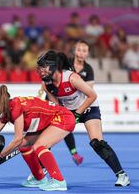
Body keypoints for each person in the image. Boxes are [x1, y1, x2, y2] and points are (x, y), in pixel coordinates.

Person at [36, 50, 130, 187]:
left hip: (88, 107)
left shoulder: (71, 78)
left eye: (43, 67)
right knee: (44, 142)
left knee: (97, 143)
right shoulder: (46, 85)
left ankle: (122, 175)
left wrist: (78, 114)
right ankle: (41, 174)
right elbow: (56, 106)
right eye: (39, 68)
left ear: (53, 66)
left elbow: (92, 96)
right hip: (69, 111)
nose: (40, 71)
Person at [0, 85, 76, 191]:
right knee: (24, 145)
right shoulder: (7, 109)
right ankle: (39, 178)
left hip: (63, 118)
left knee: (39, 146)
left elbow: (17, 138)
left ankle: (59, 181)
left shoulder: (15, 108)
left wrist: (2, 155)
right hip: (47, 122)